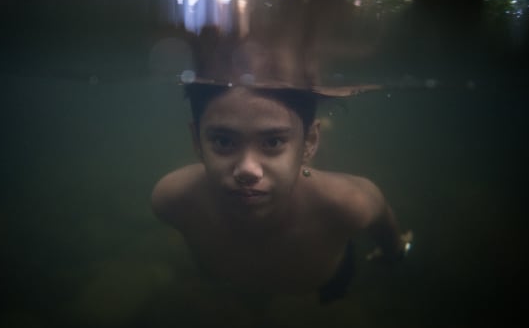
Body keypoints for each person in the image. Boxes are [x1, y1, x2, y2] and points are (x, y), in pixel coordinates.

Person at [151, 79, 411, 305]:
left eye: (273, 141)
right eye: (223, 141)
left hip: (327, 282)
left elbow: (383, 219)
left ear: (309, 142)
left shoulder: (348, 203)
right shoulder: (172, 199)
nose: (247, 170)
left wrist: (396, 250)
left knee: (335, 296)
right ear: (197, 142)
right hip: (231, 286)